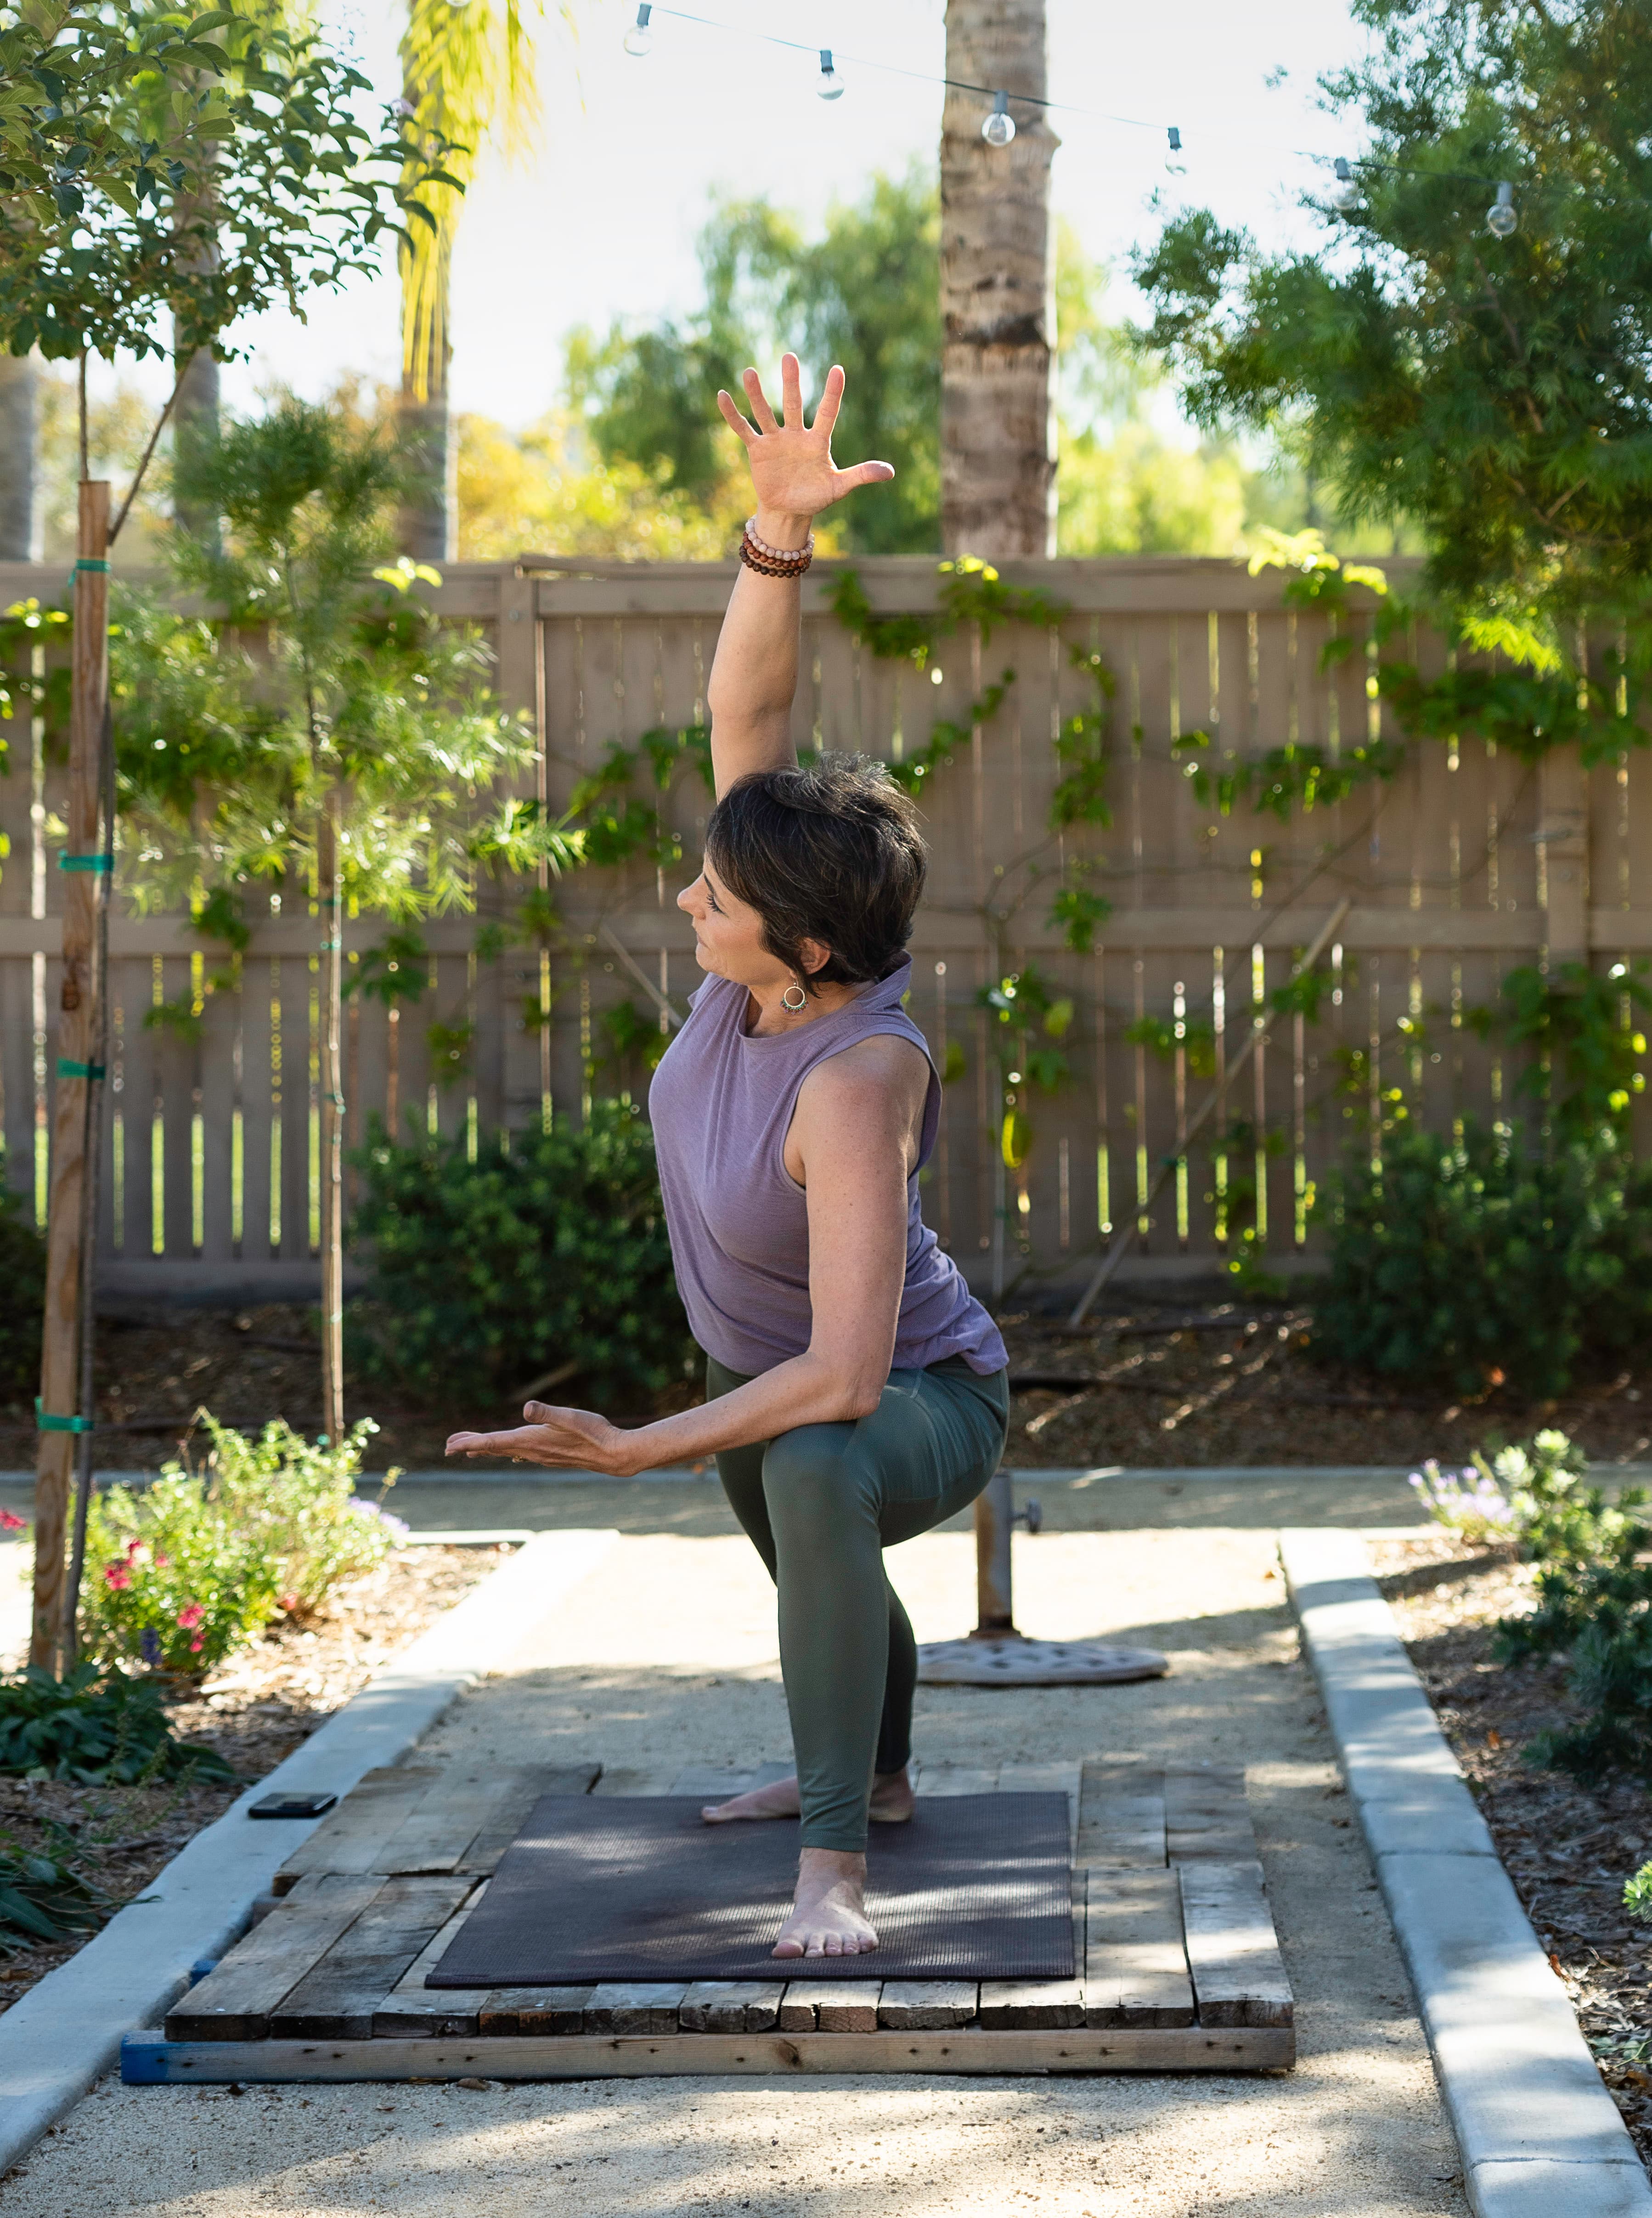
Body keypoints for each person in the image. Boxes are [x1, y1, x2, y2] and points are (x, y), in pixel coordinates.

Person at [447, 355, 1010, 1960]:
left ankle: (834, 1857)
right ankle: (876, 1778)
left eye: (717, 895)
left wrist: (639, 1446)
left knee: (817, 1468)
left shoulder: (852, 1075)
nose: (688, 901)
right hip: (783, 1382)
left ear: (809, 940)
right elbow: (744, 716)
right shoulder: (759, 970)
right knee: (802, 1511)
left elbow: (844, 1373)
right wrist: (776, 537)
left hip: (919, 1394)